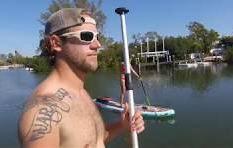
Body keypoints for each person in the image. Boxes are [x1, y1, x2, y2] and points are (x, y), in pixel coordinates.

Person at [18, 8, 144, 148]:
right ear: (56, 43)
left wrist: (122, 125)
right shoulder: (42, 112)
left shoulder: (81, 93)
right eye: (86, 36)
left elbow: (95, 141)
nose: (98, 45)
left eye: (97, 37)